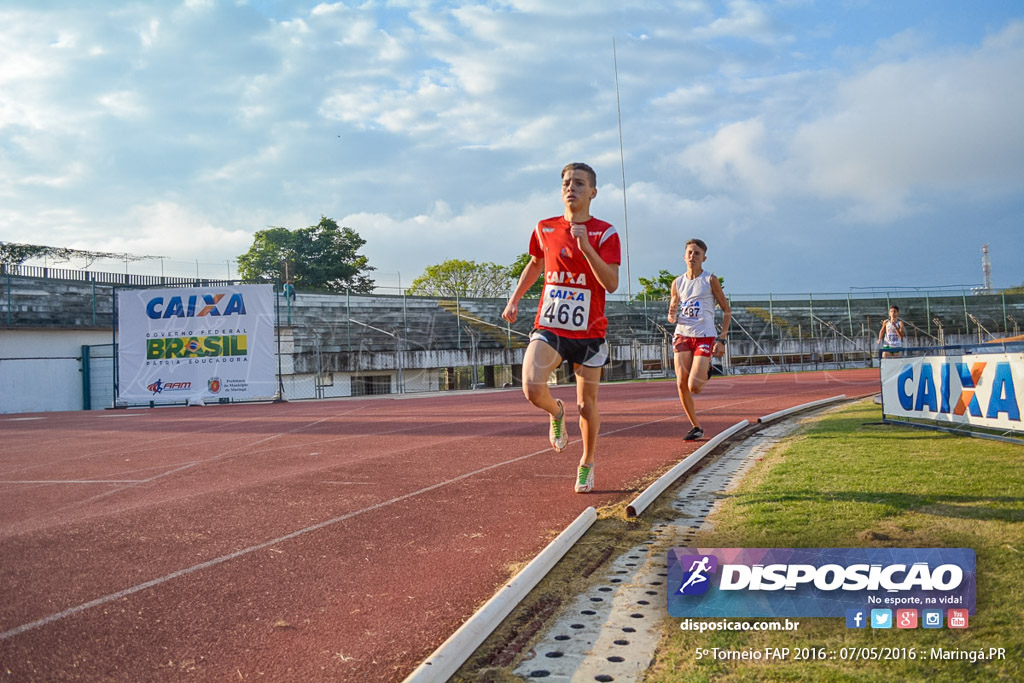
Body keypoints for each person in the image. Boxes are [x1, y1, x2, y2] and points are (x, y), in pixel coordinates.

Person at [502, 162, 621, 493]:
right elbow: (535, 264)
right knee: (531, 386)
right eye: (567, 183)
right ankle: (556, 412)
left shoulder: (606, 233)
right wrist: (514, 299)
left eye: (580, 184)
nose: (572, 188)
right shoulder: (544, 228)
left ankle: (587, 461)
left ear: (592, 192)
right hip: (551, 325)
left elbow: (611, 283)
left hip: (590, 332)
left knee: (587, 406)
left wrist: (587, 249)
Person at [667, 238, 731, 441]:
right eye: (690, 252)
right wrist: (671, 314)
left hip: (704, 335)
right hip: (682, 334)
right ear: (684, 256)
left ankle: (708, 368)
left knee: (695, 387)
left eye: (697, 253)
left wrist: (722, 340)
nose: (692, 256)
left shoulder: (710, 280)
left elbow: (726, 310)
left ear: (704, 258)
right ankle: (696, 426)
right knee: (681, 383)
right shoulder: (677, 282)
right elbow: (674, 305)